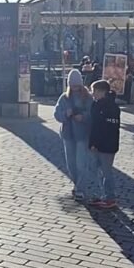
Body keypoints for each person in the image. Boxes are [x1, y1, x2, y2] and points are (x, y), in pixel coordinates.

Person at [53, 68, 92, 201]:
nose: (75, 88)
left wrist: (84, 117)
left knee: (81, 163)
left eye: (77, 85)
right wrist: (65, 114)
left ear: (81, 84)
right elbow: (56, 114)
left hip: (82, 135)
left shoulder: (88, 97)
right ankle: (76, 185)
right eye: (72, 85)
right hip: (68, 135)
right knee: (71, 164)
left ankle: (81, 189)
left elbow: (93, 114)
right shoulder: (64, 98)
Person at [87, 79, 121, 209]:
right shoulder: (98, 104)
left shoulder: (108, 107)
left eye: (94, 91)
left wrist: (95, 142)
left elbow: (102, 127)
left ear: (101, 92)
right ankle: (101, 195)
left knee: (106, 172)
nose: (92, 93)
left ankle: (110, 198)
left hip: (106, 145)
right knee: (97, 170)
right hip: (99, 144)